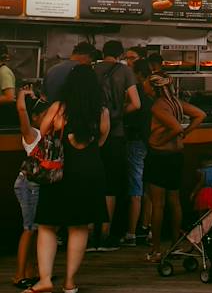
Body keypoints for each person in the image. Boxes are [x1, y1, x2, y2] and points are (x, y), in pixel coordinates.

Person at [31, 65, 110, 293]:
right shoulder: (101, 111)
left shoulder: (58, 108)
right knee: (79, 227)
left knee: (48, 225)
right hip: (90, 172)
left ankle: (45, 279)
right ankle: (69, 283)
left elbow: (43, 134)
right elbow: (102, 140)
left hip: (60, 172)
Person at [145, 54, 206, 262]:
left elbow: (173, 126)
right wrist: (185, 133)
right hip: (177, 155)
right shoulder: (177, 103)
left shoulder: (158, 106)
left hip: (160, 156)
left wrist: (159, 139)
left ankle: (155, 250)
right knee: (175, 201)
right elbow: (200, 115)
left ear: (154, 88)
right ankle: (175, 245)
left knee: (158, 204)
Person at [93, 40, 141, 251]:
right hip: (116, 134)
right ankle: (105, 234)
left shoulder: (92, 70)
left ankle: (88, 237)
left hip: (93, 133)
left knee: (93, 182)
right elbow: (136, 103)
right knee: (111, 185)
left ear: (104, 53)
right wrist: (119, 114)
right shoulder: (125, 71)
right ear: (120, 54)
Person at [13, 85, 47, 289]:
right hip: (29, 184)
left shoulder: (45, 133)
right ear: (35, 117)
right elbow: (21, 111)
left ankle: (32, 270)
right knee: (29, 228)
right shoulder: (32, 134)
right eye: (44, 114)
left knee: (36, 228)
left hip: (35, 184)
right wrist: (21, 96)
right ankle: (19, 274)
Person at [122, 59, 154, 247]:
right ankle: (146, 228)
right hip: (151, 143)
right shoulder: (154, 97)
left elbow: (133, 112)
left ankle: (131, 233)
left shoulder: (137, 94)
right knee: (148, 187)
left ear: (139, 75)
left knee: (135, 187)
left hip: (136, 142)